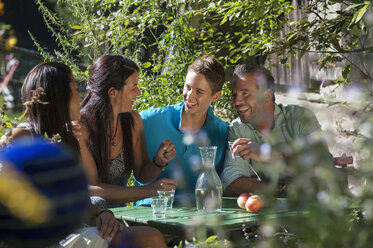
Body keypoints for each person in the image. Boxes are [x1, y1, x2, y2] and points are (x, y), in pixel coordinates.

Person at [8, 62, 167, 248]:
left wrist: (101, 213)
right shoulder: (25, 135)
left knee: (150, 236)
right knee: (150, 239)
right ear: (61, 96)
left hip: (72, 228)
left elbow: (80, 191)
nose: (81, 97)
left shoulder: (67, 135)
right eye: (75, 90)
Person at [79, 54, 177, 209]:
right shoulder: (81, 128)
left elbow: (142, 175)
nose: (138, 93)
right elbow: (93, 189)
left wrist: (159, 162)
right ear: (112, 93)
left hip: (119, 217)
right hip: (88, 216)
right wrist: (150, 191)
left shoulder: (133, 121)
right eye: (133, 88)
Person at [221, 64, 333, 196]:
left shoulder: (300, 118)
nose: (236, 102)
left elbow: (323, 165)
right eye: (235, 95)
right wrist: (282, 189)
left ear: (267, 96)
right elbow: (231, 182)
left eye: (245, 94)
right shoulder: (238, 129)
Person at [140, 55, 228, 201]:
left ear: (215, 96)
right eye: (188, 87)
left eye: (199, 92)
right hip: (152, 212)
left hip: (200, 215)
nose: (190, 96)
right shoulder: (148, 120)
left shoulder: (223, 132)